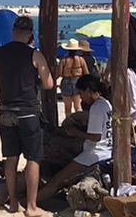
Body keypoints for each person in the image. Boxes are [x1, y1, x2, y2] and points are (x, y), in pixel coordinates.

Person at [0, 14, 55, 216]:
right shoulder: (35, 55)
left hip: (5, 110)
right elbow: (49, 84)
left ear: (13, 32)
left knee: (11, 157)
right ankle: (31, 206)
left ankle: (13, 202)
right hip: (28, 111)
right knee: (33, 158)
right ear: (30, 35)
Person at [37, 74, 112, 208]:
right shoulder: (106, 104)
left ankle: (28, 202)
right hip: (107, 149)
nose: (80, 97)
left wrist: (75, 132)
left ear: (89, 90)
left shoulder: (96, 108)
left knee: (57, 180)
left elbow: (96, 137)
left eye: (81, 93)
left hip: (95, 152)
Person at [56, 40, 87, 118]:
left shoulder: (64, 60)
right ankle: (79, 122)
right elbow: (86, 73)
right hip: (77, 81)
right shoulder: (81, 60)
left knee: (67, 107)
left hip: (66, 81)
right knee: (78, 106)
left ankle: (68, 124)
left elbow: (59, 73)